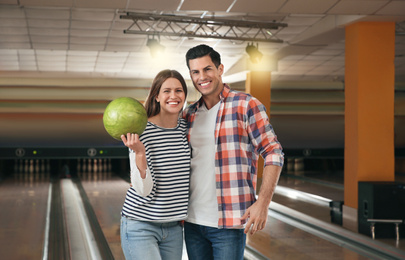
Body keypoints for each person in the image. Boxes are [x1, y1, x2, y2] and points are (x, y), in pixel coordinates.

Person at [183, 44, 284, 260]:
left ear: (220, 69)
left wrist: (263, 203)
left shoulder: (246, 105)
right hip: (192, 222)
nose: (202, 77)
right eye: (195, 72)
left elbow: (273, 152)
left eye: (207, 69)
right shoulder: (188, 114)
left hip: (229, 224)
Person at [120, 69, 190, 260]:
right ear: (157, 96)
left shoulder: (187, 128)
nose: (173, 96)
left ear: (185, 95)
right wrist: (140, 152)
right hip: (140, 225)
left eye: (179, 90)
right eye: (167, 91)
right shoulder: (141, 131)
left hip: (174, 228)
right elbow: (143, 190)